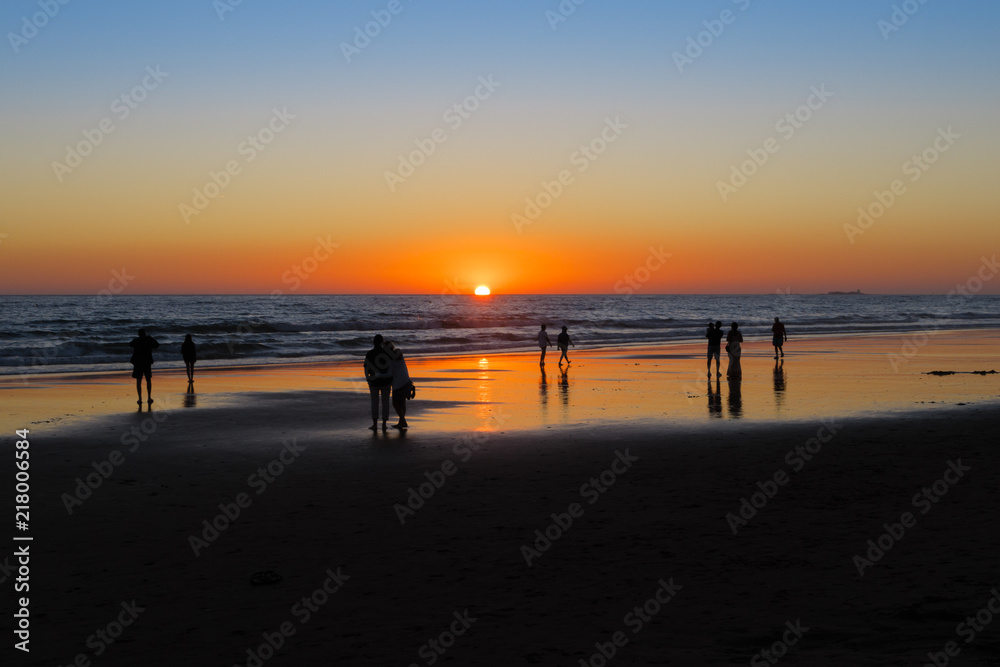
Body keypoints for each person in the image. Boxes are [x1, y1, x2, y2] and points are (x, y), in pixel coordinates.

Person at [364, 334, 393, 431]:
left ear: (373, 342)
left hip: (373, 381)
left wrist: (367, 378)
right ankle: (384, 424)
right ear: (382, 342)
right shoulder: (387, 353)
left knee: (374, 403)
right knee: (385, 403)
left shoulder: (370, 353)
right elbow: (390, 367)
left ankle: (375, 424)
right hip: (386, 381)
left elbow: (366, 368)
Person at [386, 341, 415, 430]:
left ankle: (402, 421)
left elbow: (389, 373)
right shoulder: (398, 353)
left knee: (396, 402)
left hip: (398, 382)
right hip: (405, 379)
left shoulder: (394, 355)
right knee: (402, 402)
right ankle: (401, 421)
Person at [129, 328, 160, 405]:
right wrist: (150, 338)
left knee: (138, 380)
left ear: (138, 334)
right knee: (148, 379)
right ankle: (149, 397)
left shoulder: (136, 341)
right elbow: (157, 345)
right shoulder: (148, 340)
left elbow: (130, 344)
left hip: (138, 363)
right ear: (145, 333)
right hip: (147, 362)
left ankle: (140, 398)